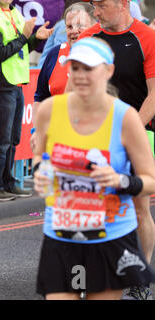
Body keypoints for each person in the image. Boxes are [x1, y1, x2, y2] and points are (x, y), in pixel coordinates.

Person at [33, 37, 155, 300]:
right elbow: (38, 156)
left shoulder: (125, 117)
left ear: (108, 71)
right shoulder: (50, 110)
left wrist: (120, 180)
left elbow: (150, 180)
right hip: (62, 233)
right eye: (75, 68)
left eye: (89, 68)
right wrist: (39, 173)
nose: (80, 76)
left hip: (109, 237)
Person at [76, 0, 155, 300]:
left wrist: (128, 131)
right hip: (95, 134)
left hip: (137, 132)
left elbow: (154, 92)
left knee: (138, 207)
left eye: (102, 6)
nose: (96, 12)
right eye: (94, 6)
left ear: (123, 4)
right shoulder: (88, 39)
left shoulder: (146, 37)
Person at [0, 0, 52, 201]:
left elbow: (21, 47)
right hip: (0, 83)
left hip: (16, 82)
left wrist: (35, 38)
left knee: (13, 139)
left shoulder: (14, 12)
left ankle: (8, 183)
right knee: (2, 139)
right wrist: (25, 36)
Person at [34, 3, 96, 109]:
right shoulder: (54, 54)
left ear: (94, 26)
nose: (74, 31)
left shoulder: (106, 54)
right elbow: (40, 99)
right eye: (69, 27)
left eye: (80, 25)